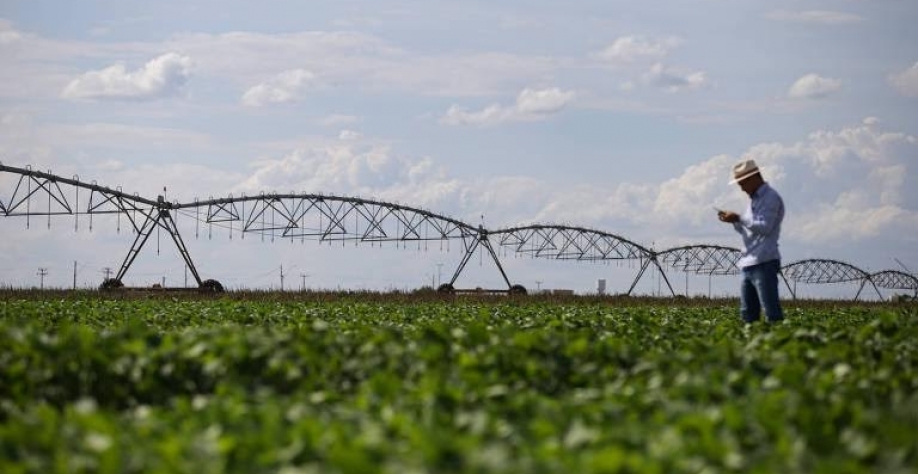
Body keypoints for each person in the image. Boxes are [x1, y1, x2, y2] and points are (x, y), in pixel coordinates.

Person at [717, 159, 785, 323]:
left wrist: (739, 217)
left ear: (753, 178)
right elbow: (749, 230)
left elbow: (765, 227)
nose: (741, 188)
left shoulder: (771, 198)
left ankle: (780, 344)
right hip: (749, 263)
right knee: (747, 314)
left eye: (742, 184)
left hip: (764, 261)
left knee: (771, 312)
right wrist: (734, 221)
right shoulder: (754, 201)